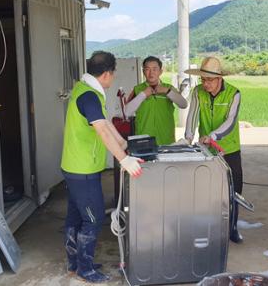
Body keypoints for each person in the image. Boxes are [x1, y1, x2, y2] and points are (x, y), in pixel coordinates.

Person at [60, 51, 144, 283]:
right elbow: (101, 129)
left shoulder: (85, 89)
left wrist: (123, 142)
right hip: (82, 170)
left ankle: (75, 263)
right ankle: (85, 269)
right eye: (113, 74)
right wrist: (123, 159)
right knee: (94, 218)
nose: (113, 78)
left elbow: (106, 122)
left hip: (73, 166)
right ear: (107, 74)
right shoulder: (89, 96)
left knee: (76, 216)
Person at [183, 56, 244, 243]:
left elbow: (230, 121)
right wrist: (188, 137)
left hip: (229, 150)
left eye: (209, 80)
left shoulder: (234, 93)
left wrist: (213, 136)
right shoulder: (197, 92)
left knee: (233, 190)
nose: (206, 84)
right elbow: (192, 114)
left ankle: (232, 228)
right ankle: (211, 228)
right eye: (203, 79)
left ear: (219, 78)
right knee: (207, 191)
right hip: (206, 151)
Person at [124, 56, 187, 145]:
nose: (151, 73)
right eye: (147, 69)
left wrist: (167, 91)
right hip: (144, 141)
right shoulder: (137, 90)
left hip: (166, 139)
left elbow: (183, 104)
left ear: (160, 71)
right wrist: (143, 94)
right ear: (143, 72)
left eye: (154, 69)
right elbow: (127, 112)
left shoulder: (169, 88)